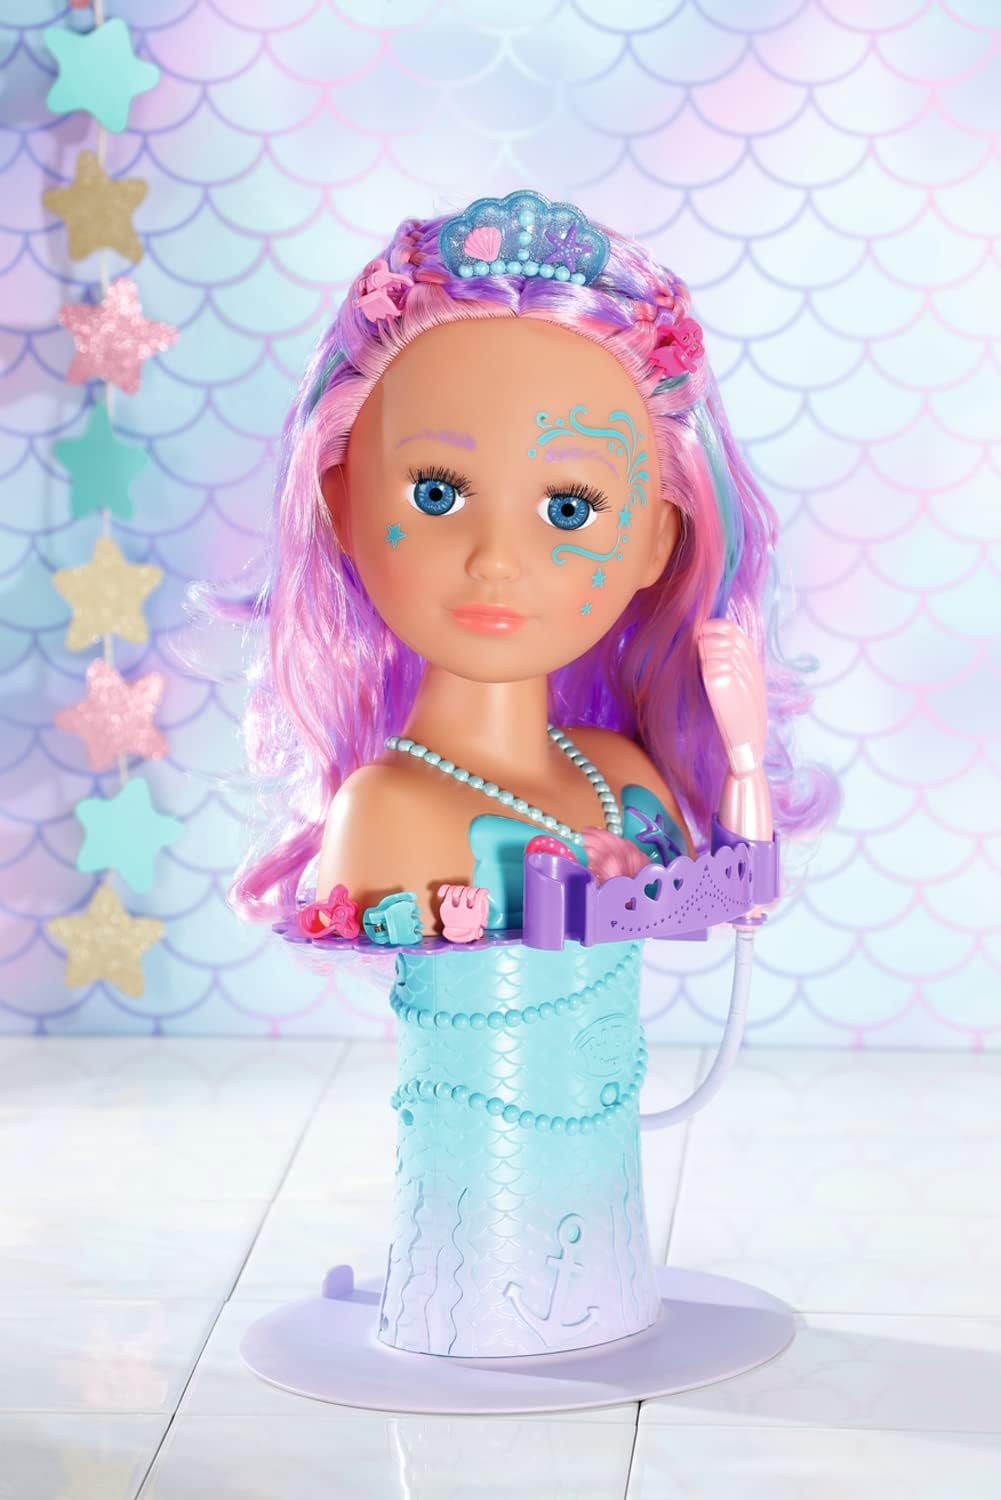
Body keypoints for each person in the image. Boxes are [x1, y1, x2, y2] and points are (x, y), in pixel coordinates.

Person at [195, 191, 839, 1359]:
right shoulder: (389, 811)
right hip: (464, 1245)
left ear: (653, 538)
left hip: (595, 1201)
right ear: (343, 501)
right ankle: (481, 1309)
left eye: (569, 507)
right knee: (478, 1242)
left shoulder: (621, 776)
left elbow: (735, 893)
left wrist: (741, 751)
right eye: (435, 494)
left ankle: (579, 1296)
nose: (497, 557)